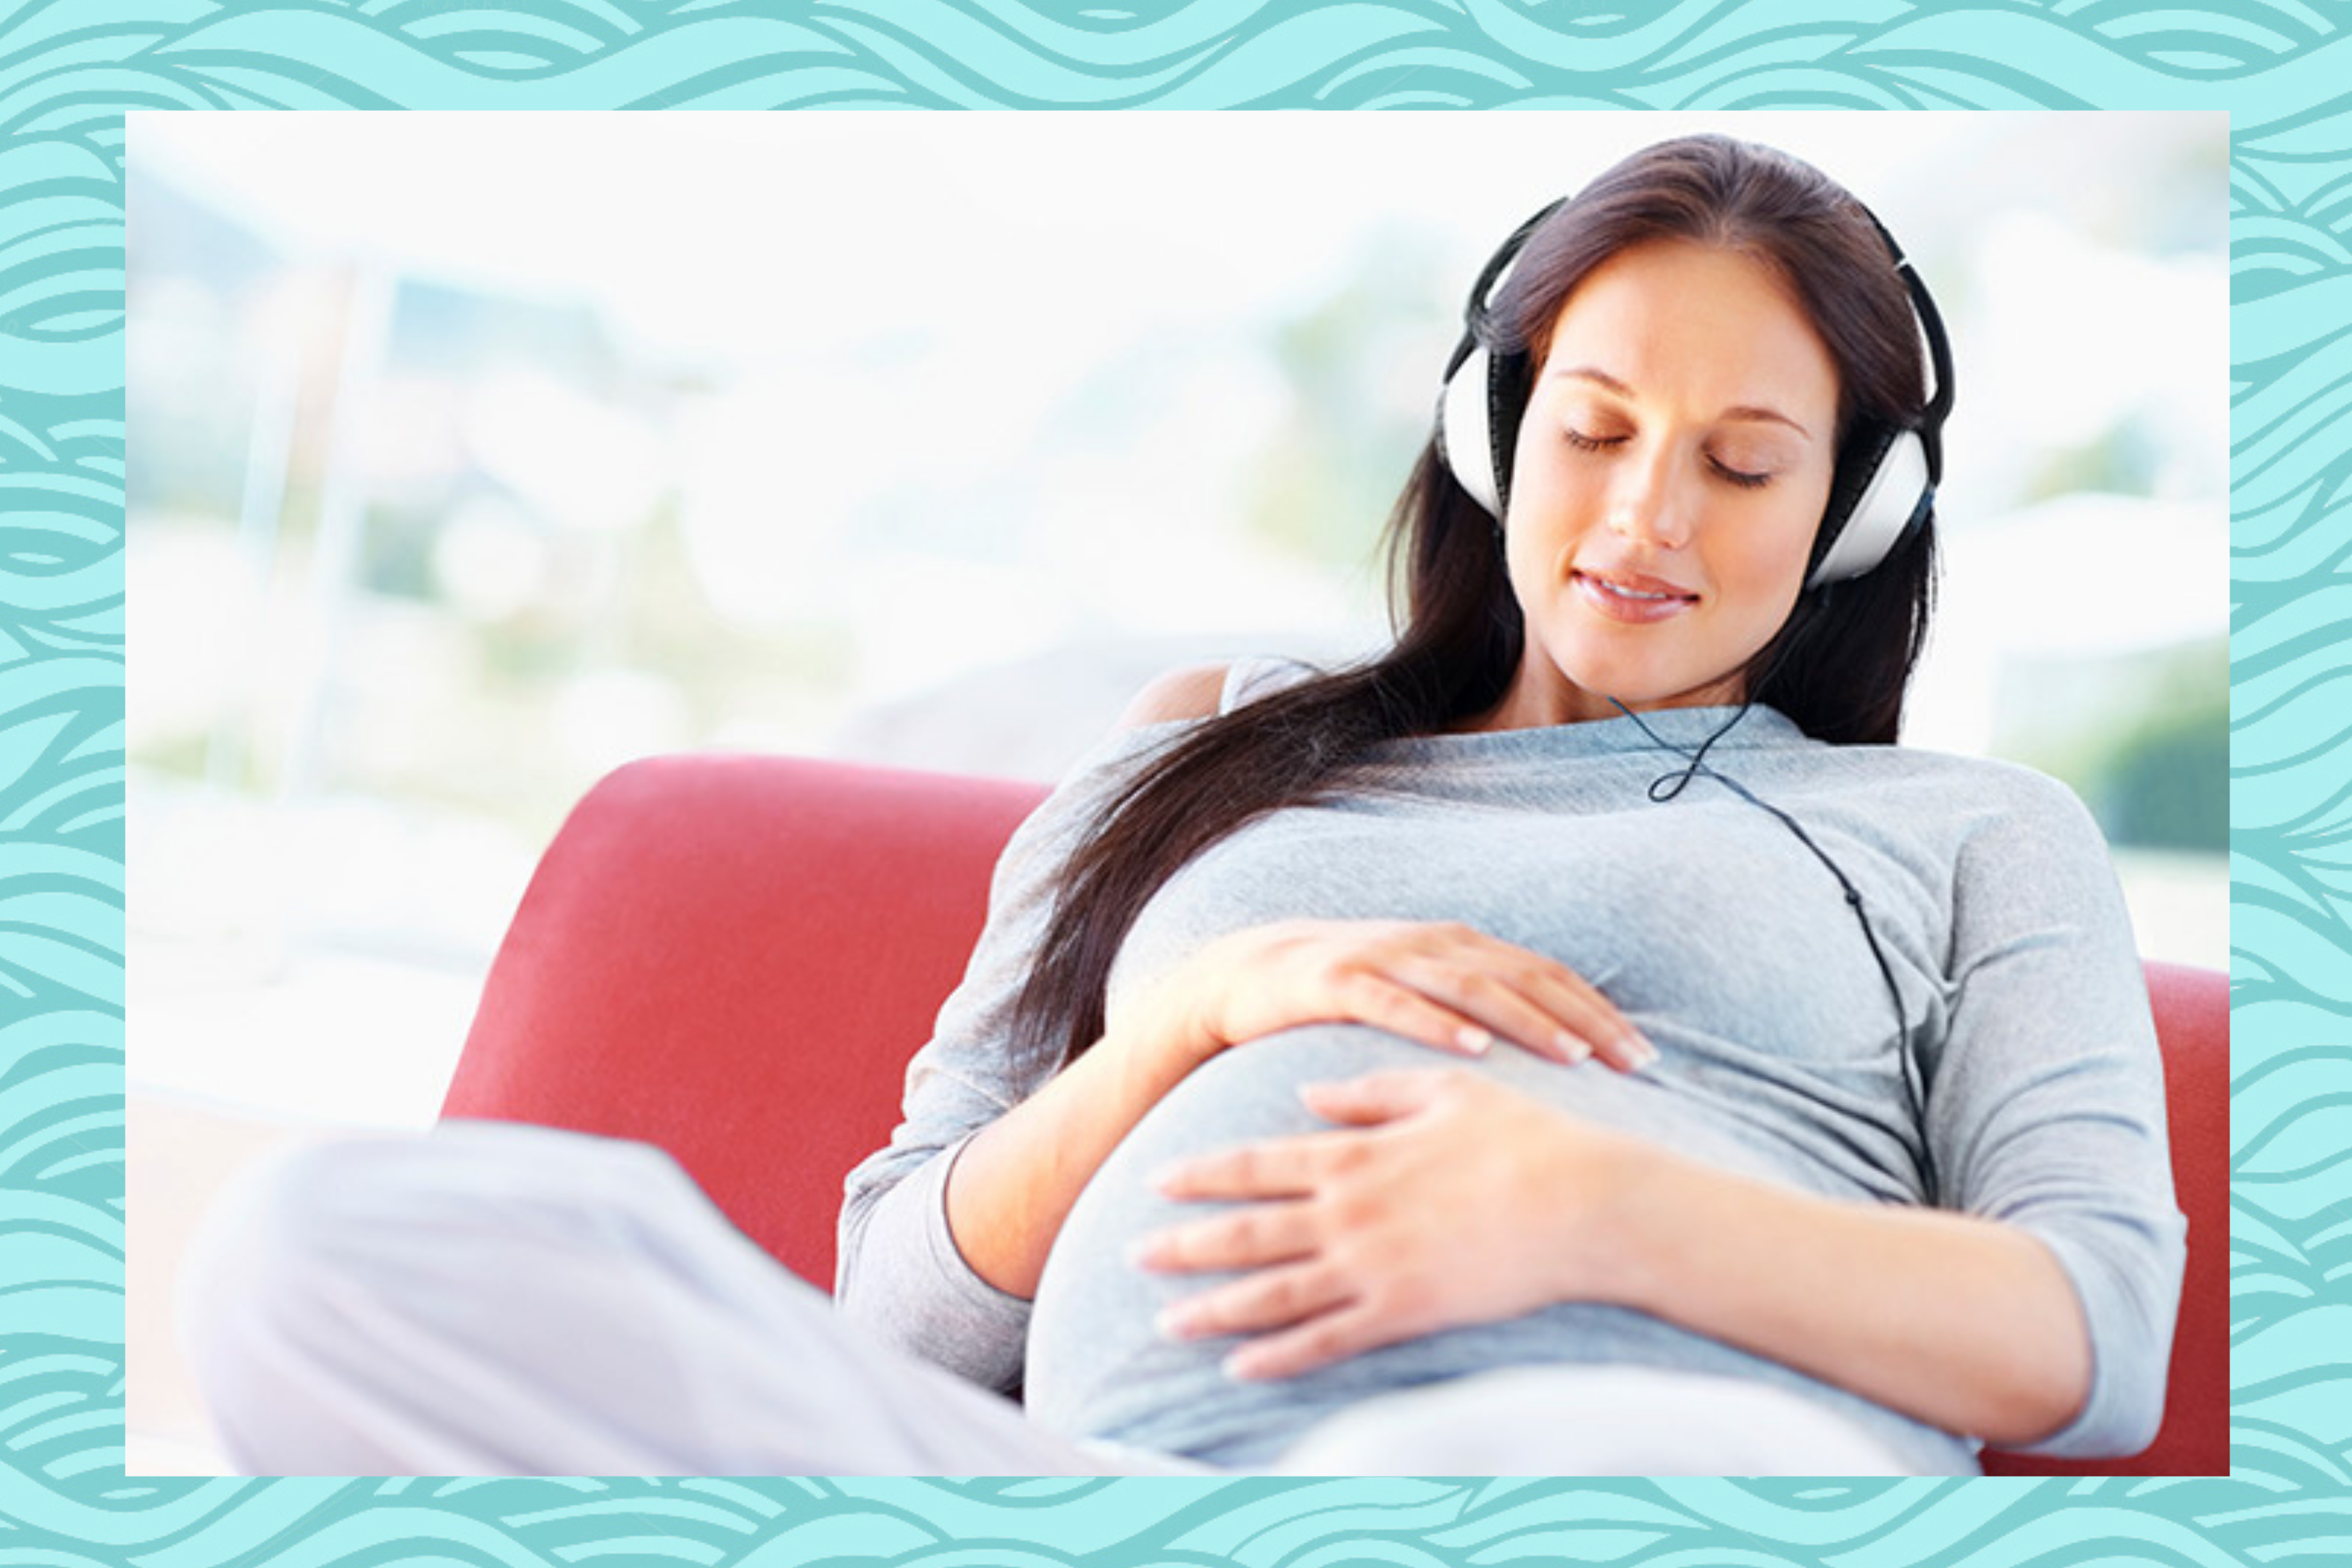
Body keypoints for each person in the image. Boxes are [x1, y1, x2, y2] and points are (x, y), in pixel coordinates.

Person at [183, 133, 2185, 1477]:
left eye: (1743, 464)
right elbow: (896, 1310)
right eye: (1593, 430)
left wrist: (1588, 1208)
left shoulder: (1965, 833)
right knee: (320, 1244)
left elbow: (2088, 1340)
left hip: (1619, 1463)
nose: (1646, 515)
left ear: (1856, 512)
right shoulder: (1194, 749)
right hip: (1084, 1483)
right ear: (1494, 433)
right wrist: (1185, 1027)